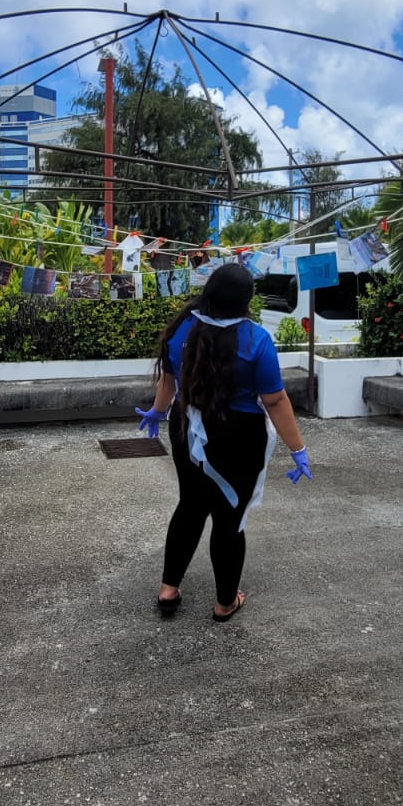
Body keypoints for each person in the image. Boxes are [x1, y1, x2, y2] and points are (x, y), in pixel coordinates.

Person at [136, 262, 311, 622]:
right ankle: (224, 603)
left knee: (190, 505)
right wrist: (298, 449)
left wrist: (156, 412)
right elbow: (275, 401)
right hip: (239, 435)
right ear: (247, 300)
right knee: (229, 518)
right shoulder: (256, 339)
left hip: (186, 428)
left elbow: (169, 383)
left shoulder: (182, 328)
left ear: (209, 291)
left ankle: (168, 590)